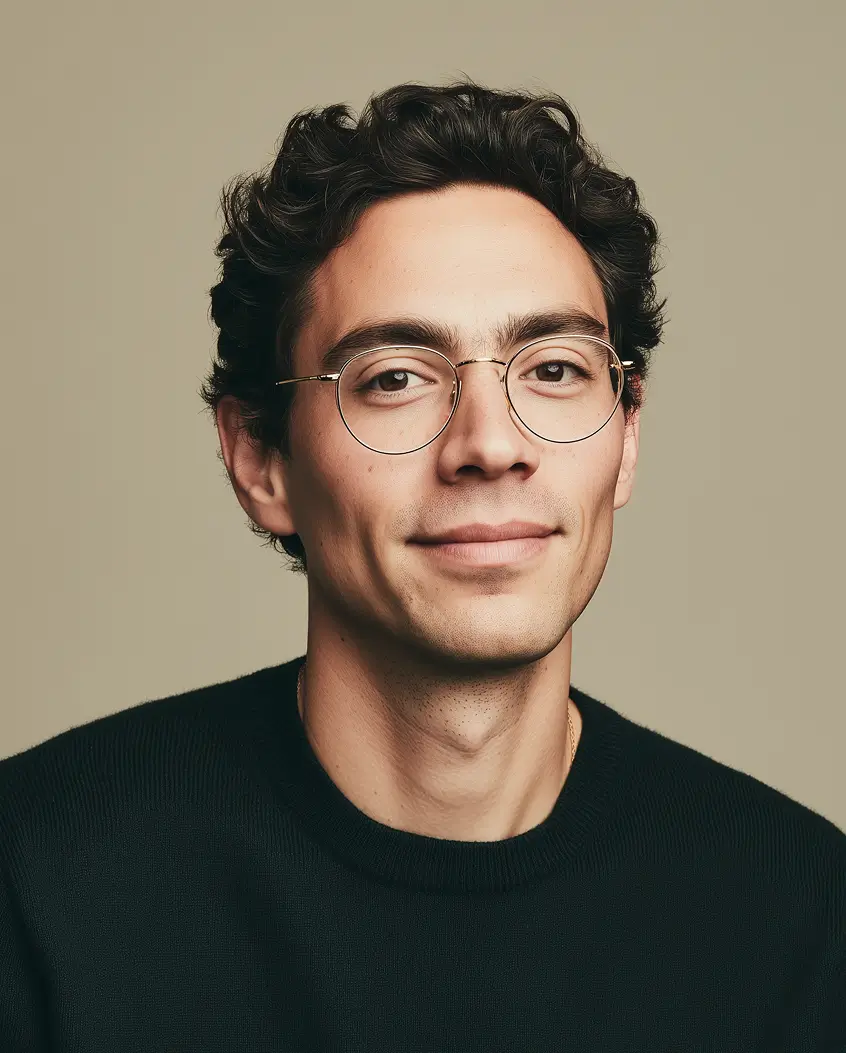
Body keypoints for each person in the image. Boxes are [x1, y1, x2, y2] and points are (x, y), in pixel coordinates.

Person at [1, 81, 843, 1052]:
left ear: (628, 436)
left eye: (555, 368)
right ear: (260, 460)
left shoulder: (804, 924)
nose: (491, 443)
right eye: (396, 379)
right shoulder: (38, 887)